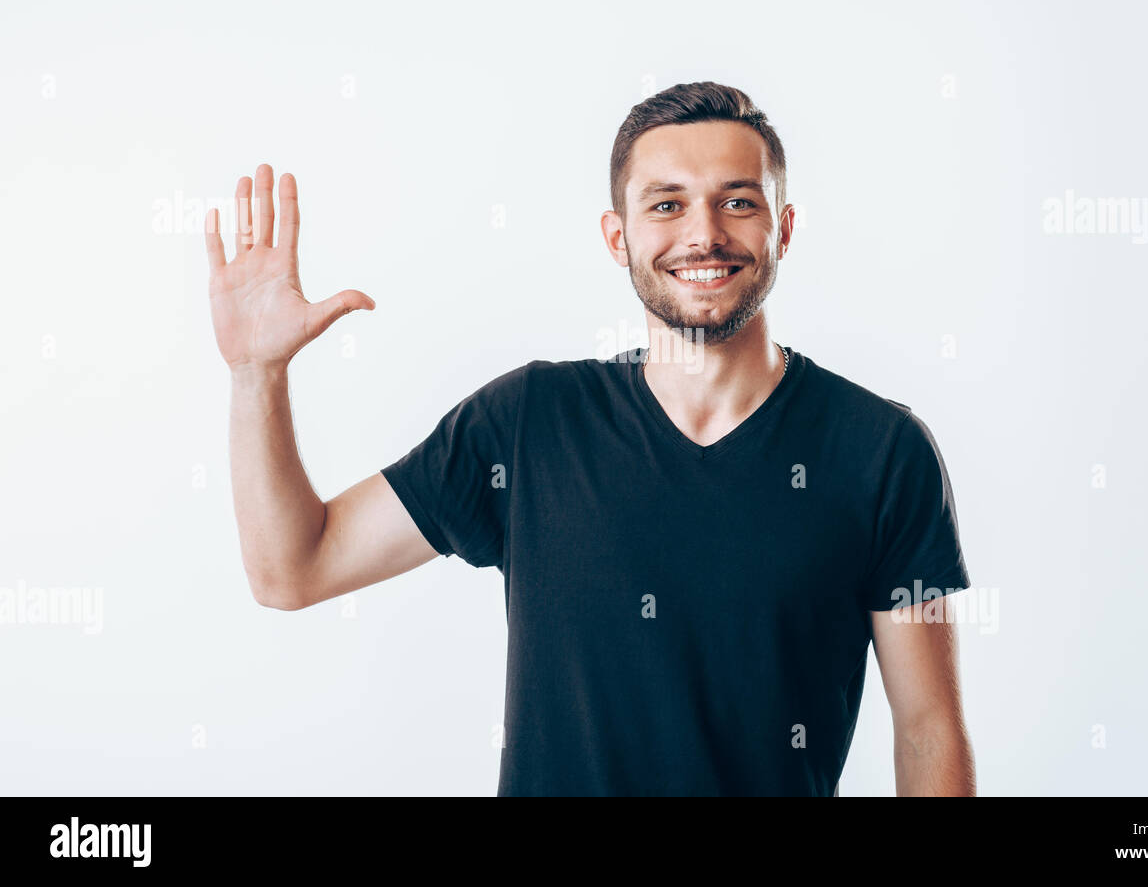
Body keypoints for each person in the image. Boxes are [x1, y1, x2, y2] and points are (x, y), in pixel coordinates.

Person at [203, 81, 975, 796]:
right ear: (618, 237)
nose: (703, 235)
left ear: (784, 227)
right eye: (666, 206)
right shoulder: (528, 424)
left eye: (738, 201)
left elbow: (928, 730)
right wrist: (254, 375)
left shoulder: (880, 451)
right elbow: (291, 571)